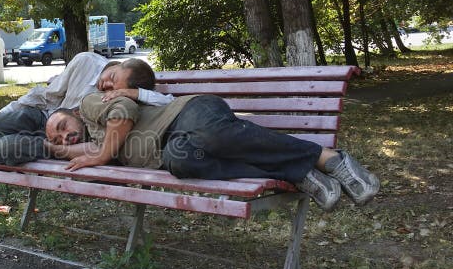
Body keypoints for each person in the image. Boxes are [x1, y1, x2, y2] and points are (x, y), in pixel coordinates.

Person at [43, 65, 380, 211]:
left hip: (191, 114)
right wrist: (54, 146)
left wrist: (102, 155)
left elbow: (123, 113)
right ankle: (296, 172)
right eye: (59, 136)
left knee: (213, 136)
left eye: (111, 79)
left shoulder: (92, 103)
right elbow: (75, 147)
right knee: (183, 162)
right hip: (172, 146)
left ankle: (327, 158)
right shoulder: (90, 137)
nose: (64, 135)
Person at [0, 53, 173, 165]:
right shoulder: (85, 62)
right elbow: (47, 94)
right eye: (111, 78)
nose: (107, 86)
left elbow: (168, 102)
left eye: (115, 88)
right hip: (48, 118)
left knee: (4, 150)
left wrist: (132, 93)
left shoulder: (124, 95)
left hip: (66, 141)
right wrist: (5, 110)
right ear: (121, 63)